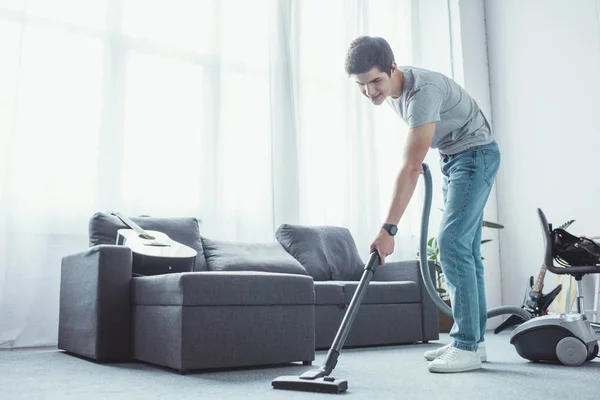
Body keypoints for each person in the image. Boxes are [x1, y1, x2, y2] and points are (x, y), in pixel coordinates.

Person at [345, 36, 500, 373]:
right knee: (467, 250)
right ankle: (476, 342)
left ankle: (466, 345)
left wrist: (388, 229)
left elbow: (410, 167)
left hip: (475, 155)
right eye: (362, 85)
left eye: (375, 81)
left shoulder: (422, 91)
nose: (370, 91)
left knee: (451, 243)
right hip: (456, 158)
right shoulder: (389, 93)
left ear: (393, 68)